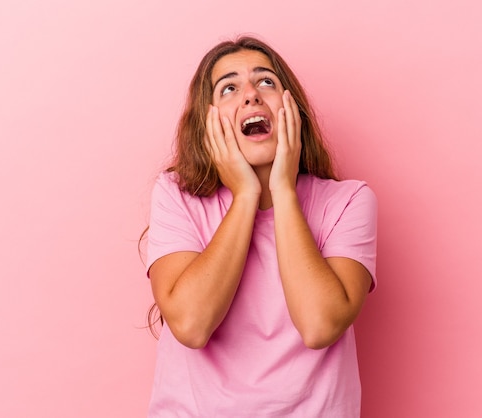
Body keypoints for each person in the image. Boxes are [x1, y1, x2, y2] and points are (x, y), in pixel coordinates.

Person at [145, 35, 377, 417]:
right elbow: (191, 324)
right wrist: (246, 196)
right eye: (229, 88)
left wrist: (282, 189)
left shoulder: (349, 201)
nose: (251, 95)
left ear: (292, 108)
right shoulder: (175, 196)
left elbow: (319, 325)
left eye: (265, 81)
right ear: (209, 121)